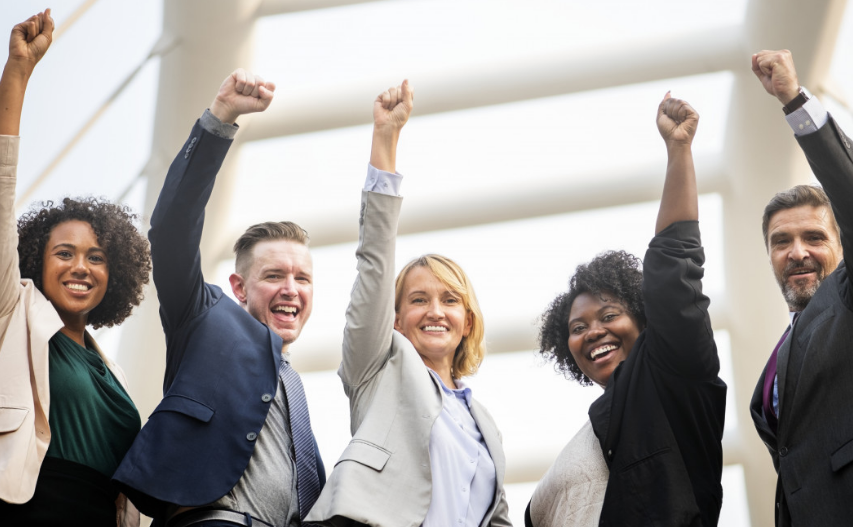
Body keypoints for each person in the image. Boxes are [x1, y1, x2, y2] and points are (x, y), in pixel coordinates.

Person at [112, 70, 325, 527]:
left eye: (302, 278)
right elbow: (171, 230)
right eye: (274, 275)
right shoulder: (204, 316)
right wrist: (221, 119)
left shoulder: (292, 384)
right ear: (239, 288)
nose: (291, 288)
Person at [304, 80, 511, 527]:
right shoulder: (379, 368)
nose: (436, 310)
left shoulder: (484, 423)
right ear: (395, 320)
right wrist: (386, 139)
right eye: (419, 299)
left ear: (467, 321)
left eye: (449, 300)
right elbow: (375, 263)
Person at [526, 94, 727, 527]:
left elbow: (674, 265)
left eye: (609, 315)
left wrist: (678, 151)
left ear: (644, 320)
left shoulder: (674, 381)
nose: (593, 331)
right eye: (578, 327)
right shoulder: (590, 431)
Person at [0, 10, 152, 526]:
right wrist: (17, 74)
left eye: (96, 257)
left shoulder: (116, 374)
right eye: (63, 253)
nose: (80, 267)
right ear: (36, 262)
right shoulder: (13, 312)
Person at [748, 49, 853, 527]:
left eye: (814, 236)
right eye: (781, 242)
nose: (797, 253)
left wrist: (793, 99)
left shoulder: (846, 298)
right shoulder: (781, 353)